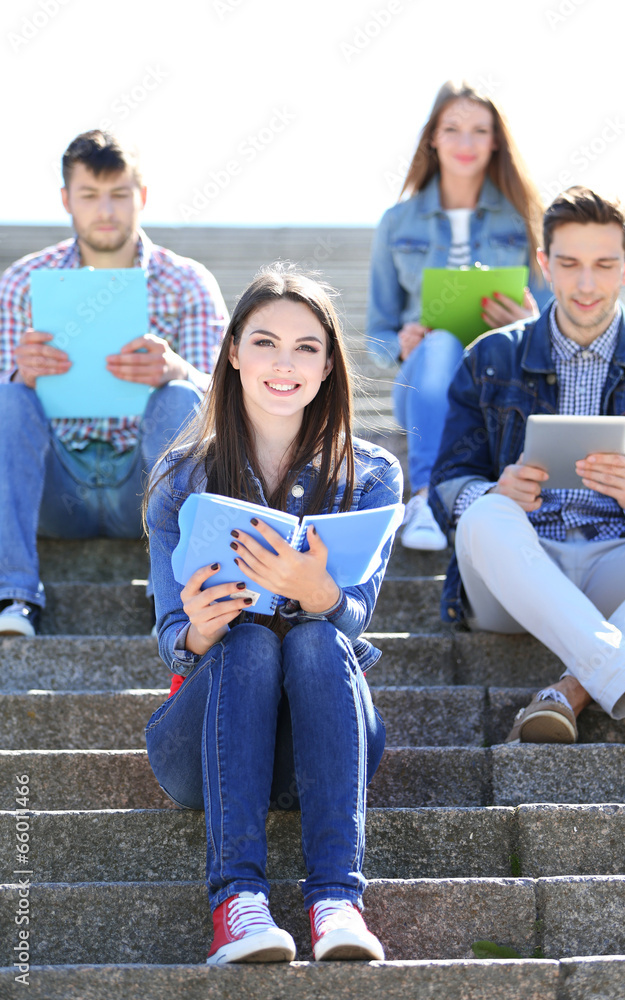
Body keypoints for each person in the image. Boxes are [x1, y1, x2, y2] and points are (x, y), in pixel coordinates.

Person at [144, 264, 402, 964]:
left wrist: (315, 592)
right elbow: (173, 640)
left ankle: (336, 901)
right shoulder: (180, 479)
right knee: (249, 646)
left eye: (306, 347)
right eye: (264, 342)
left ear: (326, 367)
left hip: (324, 742)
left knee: (318, 642)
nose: (283, 363)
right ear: (232, 353)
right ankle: (237, 907)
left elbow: (354, 620)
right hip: (205, 746)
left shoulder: (370, 475)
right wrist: (200, 626)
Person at [429, 186, 625, 744]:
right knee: (485, 514)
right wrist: (497, 492)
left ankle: (571, 690)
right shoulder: (489, 357)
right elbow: (446, 484)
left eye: (605, 265)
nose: (587, 284)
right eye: (570, 264)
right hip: (517, 572)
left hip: (620, 569)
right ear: (544, 265)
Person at [0, 130, 227, 636]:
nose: (106, 210)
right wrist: (21, 374)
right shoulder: (22, 281)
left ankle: (173, 596)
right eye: (89, 195)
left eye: (119, 194)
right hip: (54, 489)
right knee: (9, 396)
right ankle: (13, 595)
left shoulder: (187, 280)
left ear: (141, 196)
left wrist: (179, 371)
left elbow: (229, 407)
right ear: (66, 200)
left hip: (143, 490)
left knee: (182, 393)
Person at [367, 80, 551, 551]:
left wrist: (529, 320)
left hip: (501, 376)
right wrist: (403, 343)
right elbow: (376, 336)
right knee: (441, 342)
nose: (466, 144)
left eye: (479, 131)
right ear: (432, 137)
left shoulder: (527, 218)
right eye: (452, 129)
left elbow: (556, 321)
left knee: (458, 344)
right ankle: (426, 497)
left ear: (496, 140)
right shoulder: (397, 222)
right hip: (423, 380)